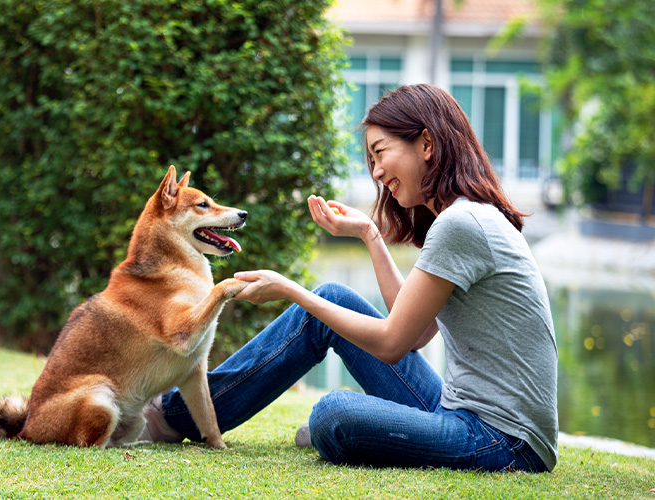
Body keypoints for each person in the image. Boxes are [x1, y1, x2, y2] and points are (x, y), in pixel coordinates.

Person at [139, 83, 558, 472]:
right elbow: (416, 332)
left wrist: (290, 290)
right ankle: (172, 416)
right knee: (333, 300)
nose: (376, 172)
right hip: (461, 413)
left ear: (427, 144)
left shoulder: (461, 223)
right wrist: (369, 234)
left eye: (380, 153)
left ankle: (347, 434)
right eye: (370, 161)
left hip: (503, 440)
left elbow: (393, 343)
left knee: (333, 413)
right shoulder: (463, 217)